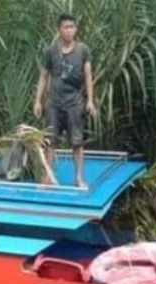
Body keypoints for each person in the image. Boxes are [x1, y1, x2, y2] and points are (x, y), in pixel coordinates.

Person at [33, 13, 96, 188]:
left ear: (75, 29)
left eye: (72, 27)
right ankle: (47, 178)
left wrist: (90, 101)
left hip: (75, 103)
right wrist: (38, 101)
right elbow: (44, 76)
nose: (69, 31)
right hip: (54, 103)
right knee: (50, 142)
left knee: (77, 142)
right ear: (59, 30)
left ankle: (78, 178)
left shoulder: (83, 50)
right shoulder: (50, 50)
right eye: (66, 27)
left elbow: (88, 75)